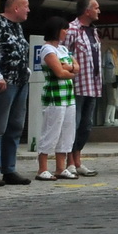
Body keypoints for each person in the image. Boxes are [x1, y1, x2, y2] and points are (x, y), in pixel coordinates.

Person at [0, 0, 32, 187]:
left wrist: (25, 71)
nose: (28, 10)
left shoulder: (18, 27)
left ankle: (9, 168)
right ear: (15, 8)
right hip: (3, 82)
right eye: (26, 6)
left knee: (15, 127)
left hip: (20, 82)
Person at [63, 0, 105, 178]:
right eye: (96, 7)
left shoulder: (93, 31)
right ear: (86, 10)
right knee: (74, 123)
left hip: (93, 85)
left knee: (86, 126)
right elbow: (62, 54)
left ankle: (78, 160)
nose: (99, 11)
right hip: (77, 84)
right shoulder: (71, 29)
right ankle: (69, 162)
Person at [35, 17, 78, 181]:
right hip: (54, 96)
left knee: (67, 132)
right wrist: (69, 70)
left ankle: (61, 167)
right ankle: (42, 168)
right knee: (51, 130)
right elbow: (59, 73)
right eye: (64, 29)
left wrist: (69, 68)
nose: (66, 32)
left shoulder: (64, 49)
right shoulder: (47, 49)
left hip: (68, 96)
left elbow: (76, 67)